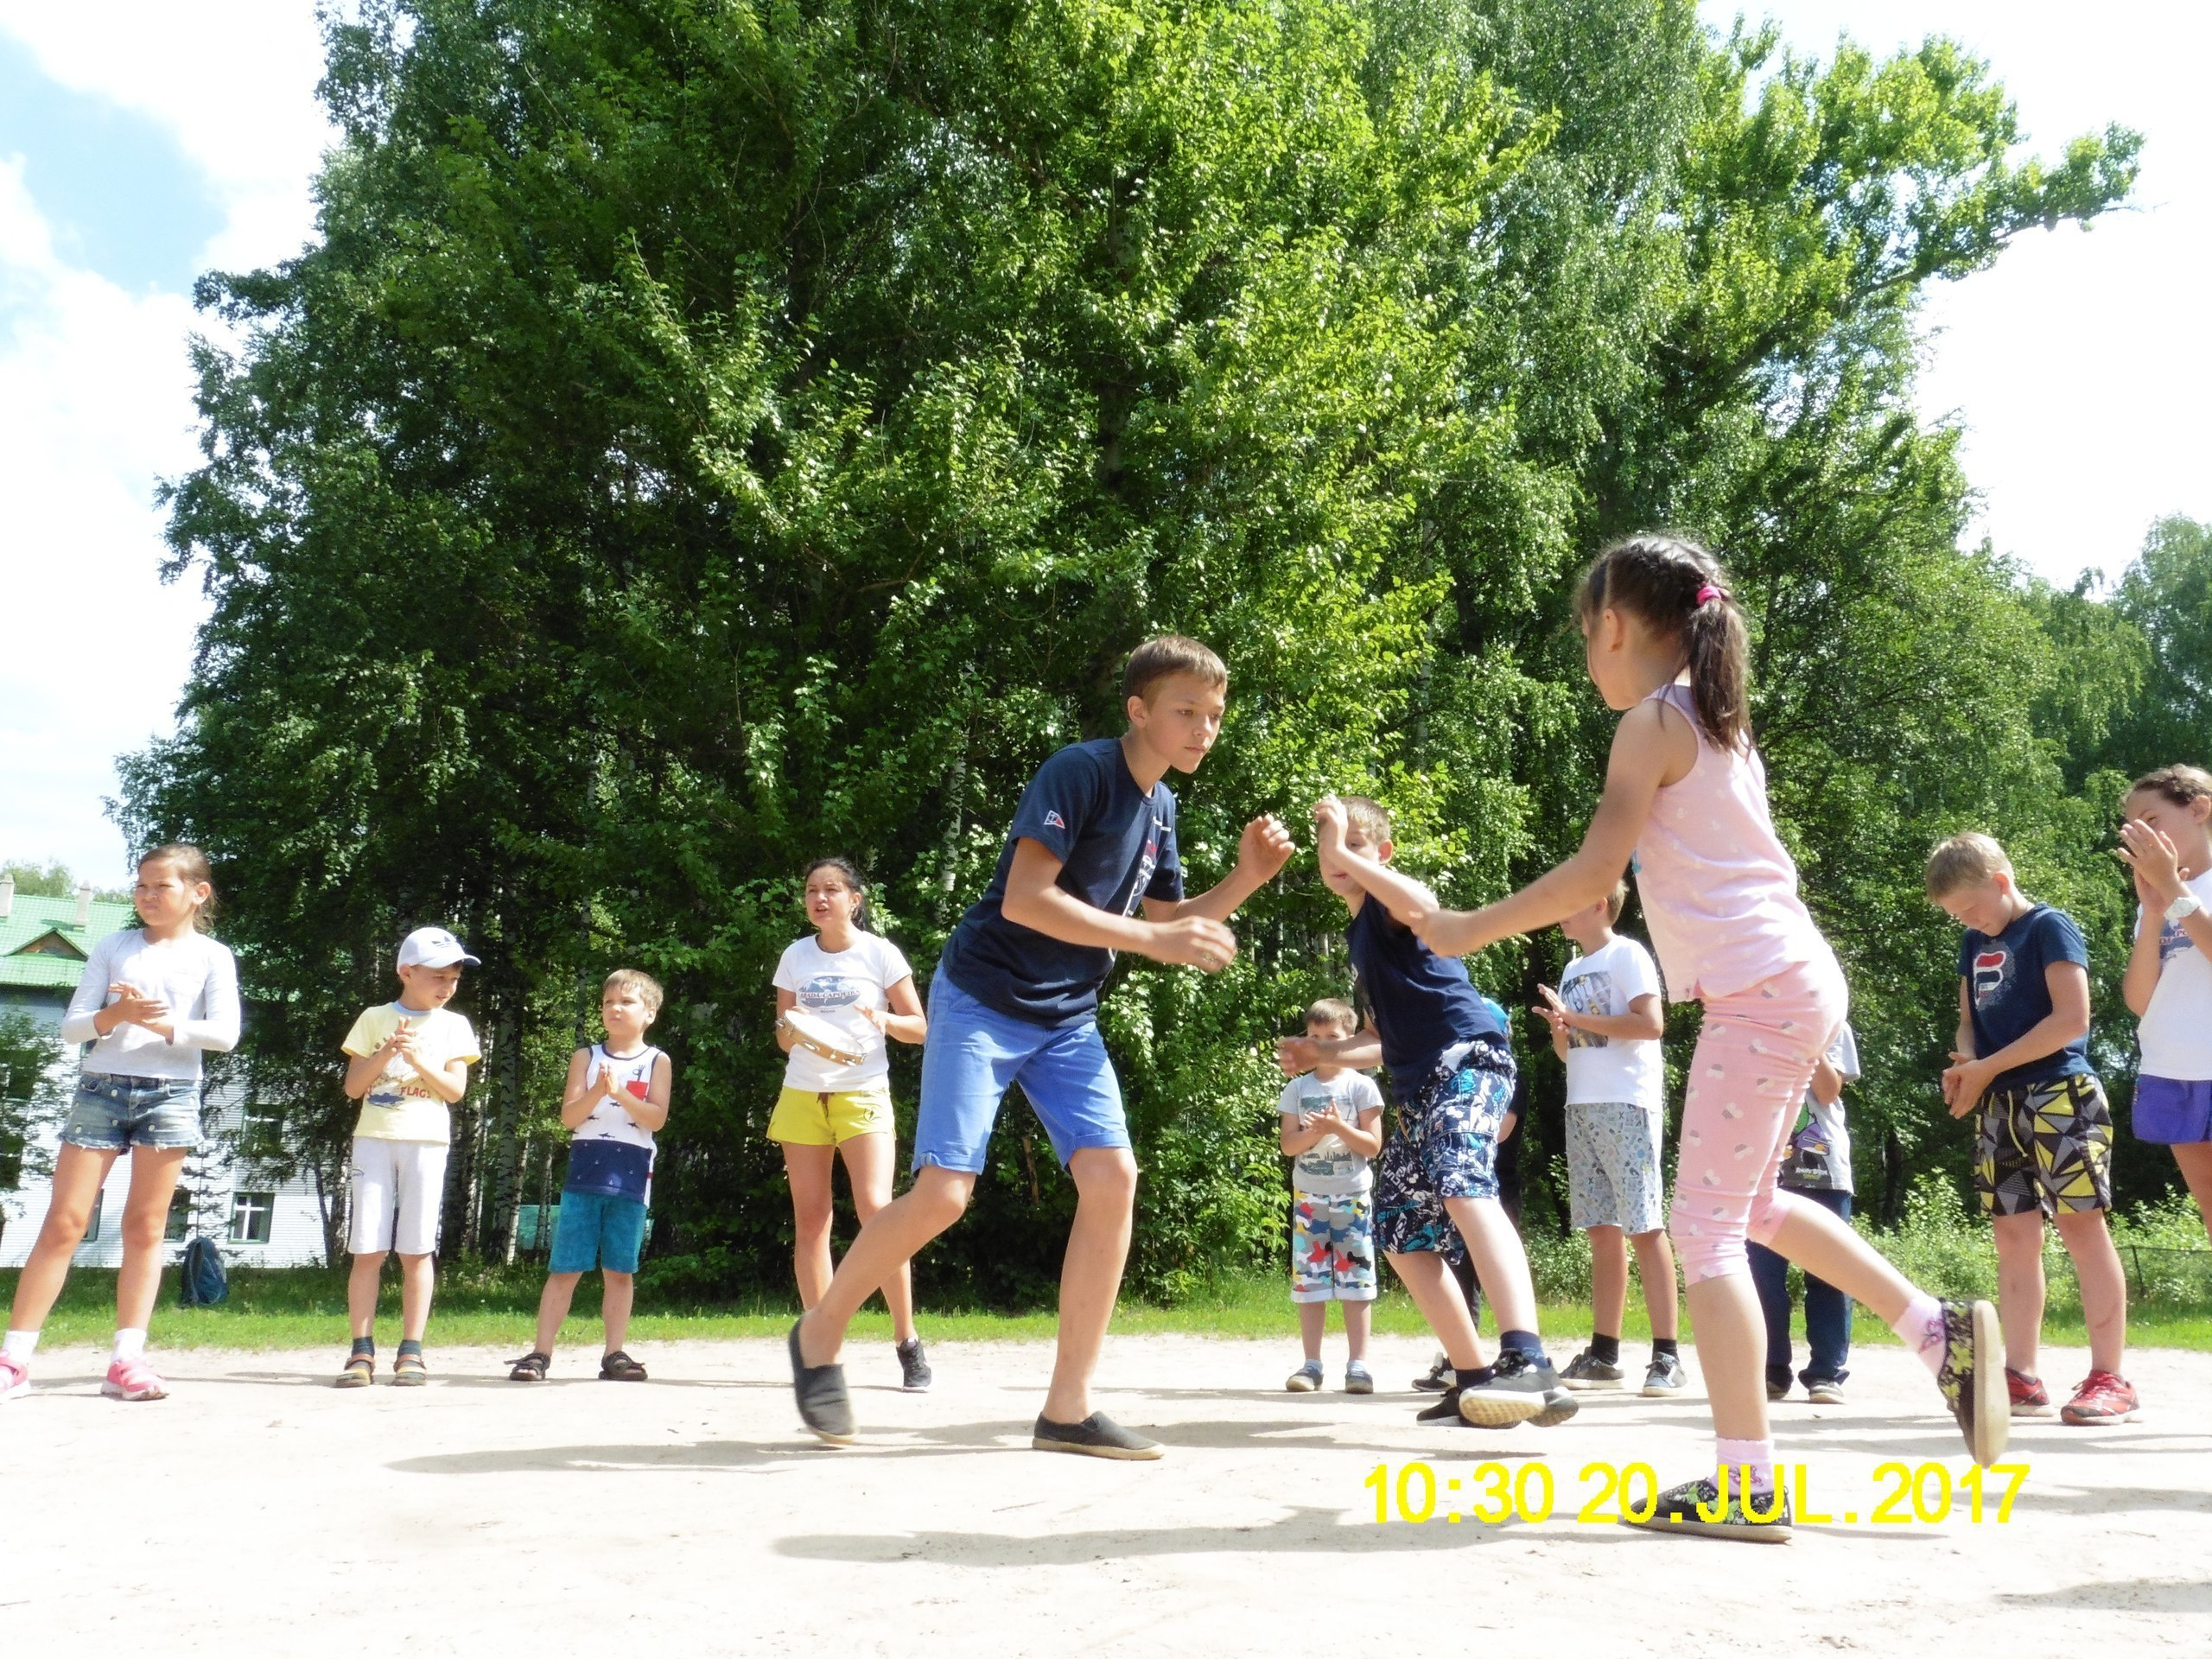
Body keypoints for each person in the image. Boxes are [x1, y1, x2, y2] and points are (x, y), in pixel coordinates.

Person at [1411, 534, 2005, 1542]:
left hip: (1763, 992)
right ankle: (1932, 1328)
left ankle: (1745, 1484)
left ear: (1610, 626)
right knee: (1754, 1206)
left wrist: (1468, 928)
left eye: (1580, 636)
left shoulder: (1651, 721)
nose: (1583, 655)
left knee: (1705, 1235)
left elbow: (1592, 877)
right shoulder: (1716, 721)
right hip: (1791, 981)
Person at [787, 636, 1294, 1458]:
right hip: (984, 998)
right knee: (946, 1193)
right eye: (1187, 712)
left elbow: (1166, 922)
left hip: (1066, 1016)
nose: (1206, 729)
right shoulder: (1081, 771)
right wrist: (1148, 942)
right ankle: (820, 1336)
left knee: (1112, 1178)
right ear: (1138, 711)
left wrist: (1245, 881)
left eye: (1215, 716)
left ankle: (1067, 1407)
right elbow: (1026, 900)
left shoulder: (1161, 806)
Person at [1284, 793, 1574, 1432]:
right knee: (1399, 1233)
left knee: (1466, 1190)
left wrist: (1343, 852)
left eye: (1354, 845)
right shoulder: (1361, 934)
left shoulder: (1391, 906)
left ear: (1381, 854)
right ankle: (1474, 1382)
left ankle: (1528, 1358)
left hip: (1468, 1063)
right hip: (1421, 1087)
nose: (1337, 856)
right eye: (1327, 845)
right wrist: (1324, 1050)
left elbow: (1424, 904)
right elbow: (1390, 1043)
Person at [0, 846, 239, 1403]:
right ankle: (14, 1359)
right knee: (64, 1222)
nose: (148, 897)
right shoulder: (113, 947)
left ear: (197, 893)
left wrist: (166, 1023)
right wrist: (117, 1016)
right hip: (100, 1088)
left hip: (172, 1094)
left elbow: (225, 1035)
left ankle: (126, 1362)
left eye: (162, 887)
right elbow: (72, 1030)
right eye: (141, 887)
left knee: (145, 1228)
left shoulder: (213, 956)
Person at [1929, 831, 2135, 1425]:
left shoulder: (2050, 926)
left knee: (2081, 1228)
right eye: (1955, 916)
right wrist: (1967, 1064)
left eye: (1968, 908)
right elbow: (1968, 1021)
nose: (1965, 921)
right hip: (1999, 1102)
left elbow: (2071, 1020)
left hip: (2062, 1093)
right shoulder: (1973, 941)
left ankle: (2109, 1377)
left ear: (1999, 882)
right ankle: (2020, 1376)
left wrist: (1987, 1067)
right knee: (2014, 1237)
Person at [767, 857, 931, 1390]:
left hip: (862, 1094)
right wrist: (793, 1032)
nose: (819, 898)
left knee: (878, 1216)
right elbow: (782, 1032)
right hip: (802, 1096)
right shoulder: (795, 956)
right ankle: (823, 1348)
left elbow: (920, 1028)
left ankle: (907, 1342)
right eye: (812, 890)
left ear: (854, 899)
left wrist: (884, 1019)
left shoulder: (880, 953)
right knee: (812, 1222)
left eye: (831, 889)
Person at [1536, 880, 1685, 1396]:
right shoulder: (1573, 969)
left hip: (1628, 1103)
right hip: (1582, 1104)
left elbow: (1652, 1024)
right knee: (1601, 1228)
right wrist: (1561, 1028)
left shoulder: (1629, 954)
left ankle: (1667, 1356)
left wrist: (1574, 1017)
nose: (1560, 911)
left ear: (1598, 904)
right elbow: (1570, 1052)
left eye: (1568, 901)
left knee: (1644, 1225)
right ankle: (1604, 1353)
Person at [334, 926, 482, 1388]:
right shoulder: (375, 1017)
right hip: (374, 1139)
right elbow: (354, 1087)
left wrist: (419, 1061)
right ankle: (361, 1352)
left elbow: (455, 1091)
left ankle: (412, 1351)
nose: (447, 985)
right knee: (368, 1248)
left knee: (416, 1249)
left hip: (427, 1142)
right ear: (406, 972)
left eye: (454, 977)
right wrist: (386, 1053)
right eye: (438, 975)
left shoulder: (454, 1025)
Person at [508, 969, 671, 1382]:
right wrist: (598, 1091)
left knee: (620, 1270)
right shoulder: (586, 1056)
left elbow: (657, 1117)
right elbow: (569, 1116)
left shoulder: (657, 1061)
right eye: (608, 1002)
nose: (615, 1009)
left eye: (627, 1002)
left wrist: (620, 1094)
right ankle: (540, 1354)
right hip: (585, 1172)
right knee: (565, 1268)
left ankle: (614, 1353)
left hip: (631, 1174)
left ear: (650, 1013)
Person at [2120, 766, 2212, 1252]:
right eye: (2131, 829)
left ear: (2199, 809)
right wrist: (2155, 912)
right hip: (2173, 1068)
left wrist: (2174, 895)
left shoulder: (2184, 890)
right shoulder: (2154, 901)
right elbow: (2140, 1001)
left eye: (2151, 820)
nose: (2141, 838)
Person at [1748, 1023, 1860, 1405]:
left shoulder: (1831, 1027)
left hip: (1825, 1173)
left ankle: (1826, 1374)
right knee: (1763, 1277)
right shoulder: (1755, 1024)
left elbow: (1828, 1091)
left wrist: (1806, 1037)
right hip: (1767, 1173)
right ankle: (1771, 1369)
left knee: (1829, 1275)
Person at [1277, 998, 1385, 1394]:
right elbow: (1289, 1146)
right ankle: (1311, 1365)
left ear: (1349, 1040)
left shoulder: (1362, 1085)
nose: (1322, 1044)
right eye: (1315, 1036)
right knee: (1310, 1284)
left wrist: (1339, 1128)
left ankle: (1358, 1366)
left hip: (1352, 1197)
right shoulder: (1296, 1088)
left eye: (1333, 1038)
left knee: (1357, 1283)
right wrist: (1317, 1133)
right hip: (1309, 1199)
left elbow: (1372, 1146)